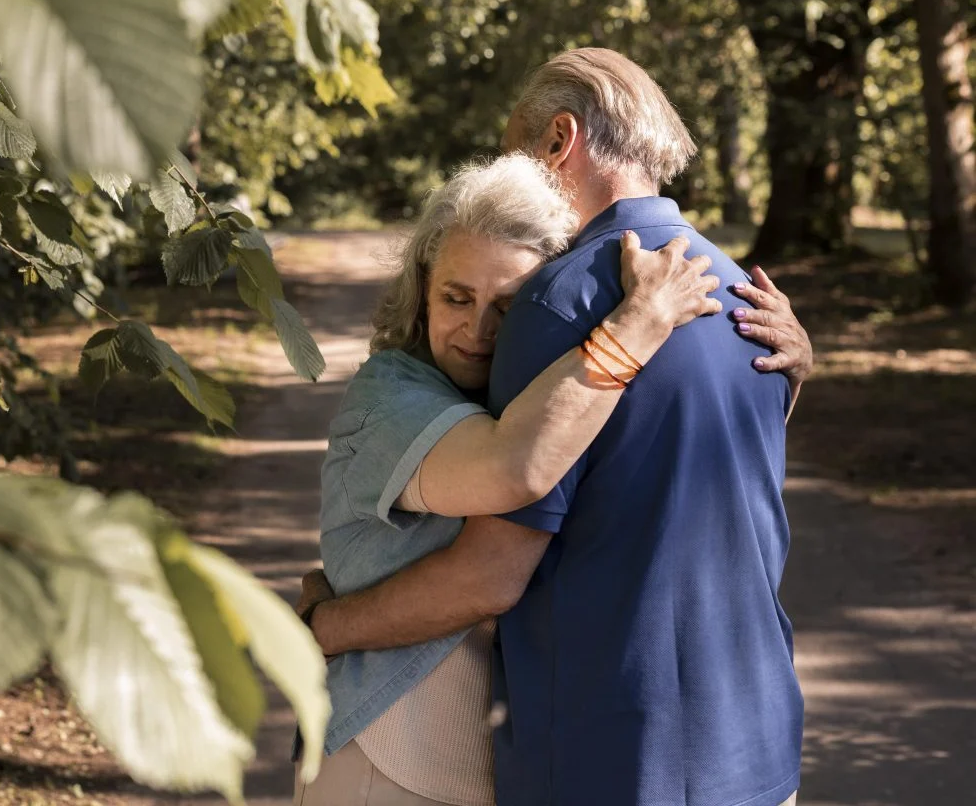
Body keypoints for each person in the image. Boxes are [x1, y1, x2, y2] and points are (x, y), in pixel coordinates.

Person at [297, 49, 812, 806]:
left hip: (620, 753)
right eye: (456, 299)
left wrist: (322, 627)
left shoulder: (557, 302)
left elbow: (492, 570)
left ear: (557, 140)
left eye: (513, 151)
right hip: (758, 740)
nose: (484, 327)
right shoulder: (743, 292)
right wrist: (804, 368)